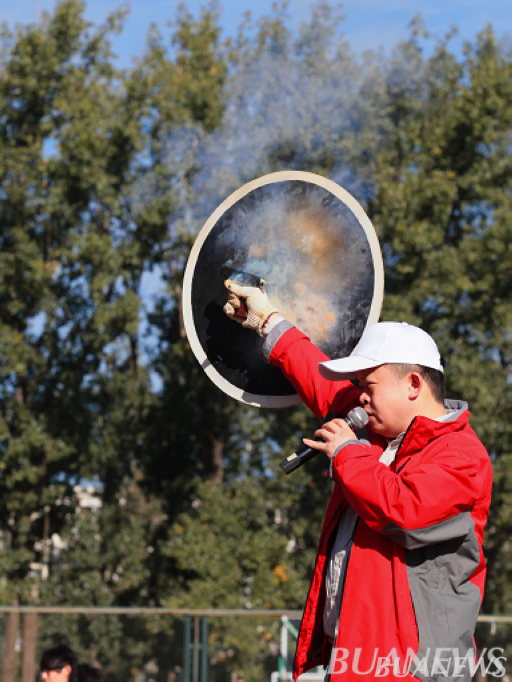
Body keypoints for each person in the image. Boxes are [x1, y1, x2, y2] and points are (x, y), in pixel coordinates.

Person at [223, 281, 493, 682]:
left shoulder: (462, 455)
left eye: (368, 386)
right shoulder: (377, 431)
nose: (360, 399)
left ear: (413, 385)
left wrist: (348, 454)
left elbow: (405, 511)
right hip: (353, 663)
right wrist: (266, 320)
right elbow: (319, 380)